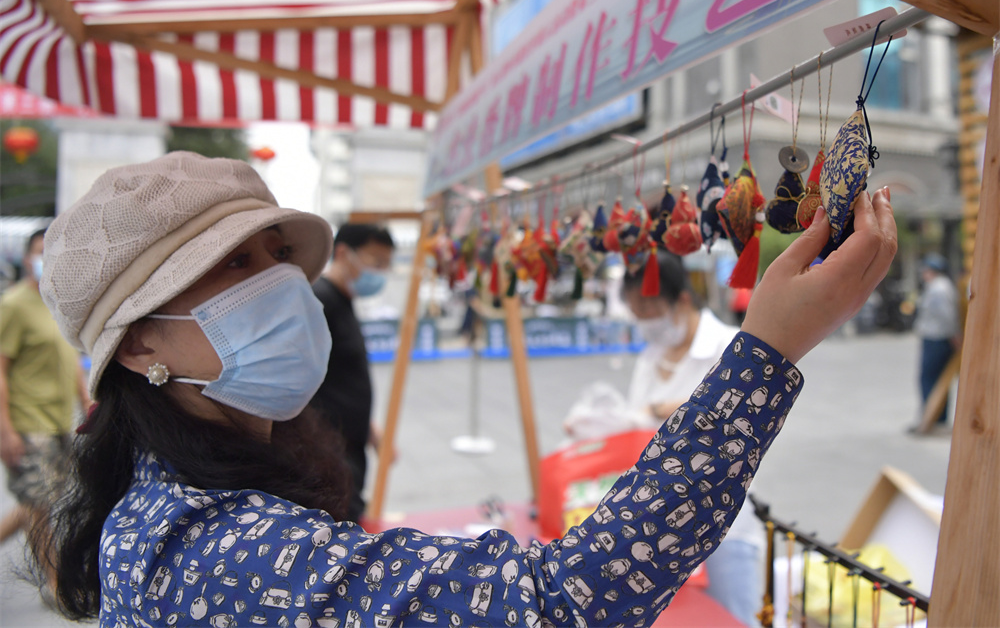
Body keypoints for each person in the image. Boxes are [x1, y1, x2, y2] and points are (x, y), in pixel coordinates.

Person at [36, 152, 896, 626]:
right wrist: (768, 352)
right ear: (141, 337)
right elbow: (563, 604)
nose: (284, 286)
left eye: (275, 257)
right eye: (233, 266)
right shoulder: (219, 550)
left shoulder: (172, 506)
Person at [622, 252, 763, 626]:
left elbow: (736, 425)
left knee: (732, 617)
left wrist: (665, 409)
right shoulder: (651, 356)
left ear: (681, 299)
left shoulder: (728, 347)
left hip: (721, 523)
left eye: (649, 309)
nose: (645, 322)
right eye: (636, 312)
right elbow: (635, 423)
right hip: (659, 527)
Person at [0, 229, 93, 587]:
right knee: (40, 505)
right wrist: (6, 430)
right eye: (40, 253)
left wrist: (84, 399)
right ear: (26, 259)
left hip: (57, 420)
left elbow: (69, 358)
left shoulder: (55, 304)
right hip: (27, 422)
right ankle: (56, 584)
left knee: (44, 501)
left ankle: (55, 576)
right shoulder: (12, 307)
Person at [309, 223, 394, 522]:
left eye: (387, 265)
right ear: (344, 253)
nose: (381, 272)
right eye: (376, 262)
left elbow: (338, 374)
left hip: (350, 444)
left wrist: (370, 429)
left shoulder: (343, 300)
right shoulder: (321, 301)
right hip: (328, 453)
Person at [911, 253, 960, 429]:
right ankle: (935, 417)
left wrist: (954, 337)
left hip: (937, 340)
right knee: (936, 379)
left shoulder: (939, 289)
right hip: (937, 338)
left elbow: (947, 316)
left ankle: (933, 417)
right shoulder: (939, 286)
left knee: (930, 379)